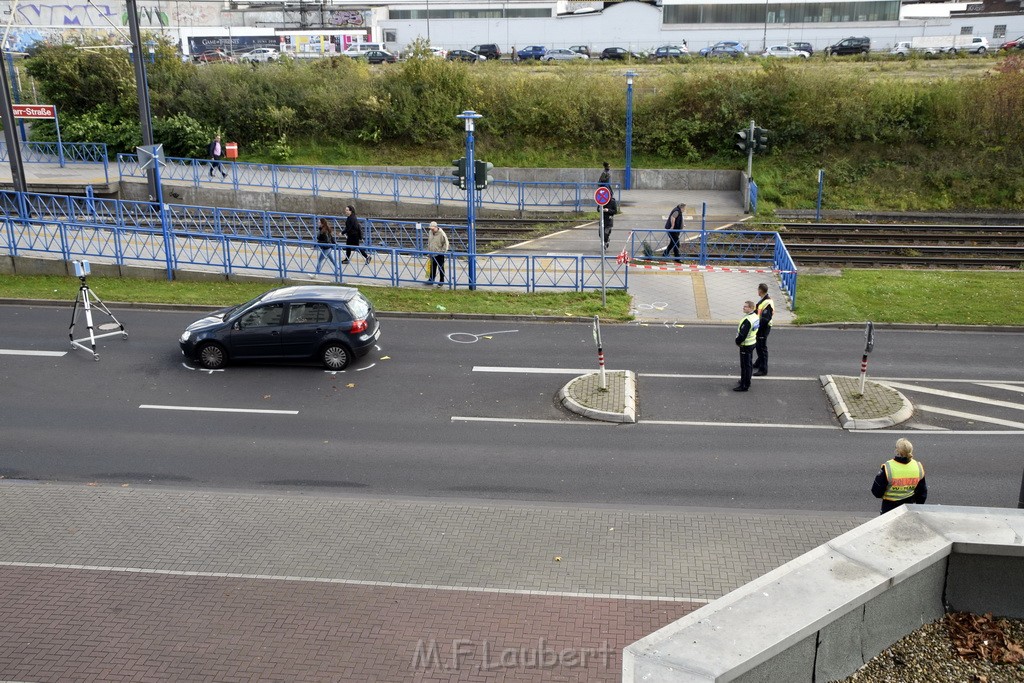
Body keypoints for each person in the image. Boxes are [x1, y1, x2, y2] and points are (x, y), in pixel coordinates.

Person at [872, 438, 927, 515]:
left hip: (889, 506)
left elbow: (876, 491)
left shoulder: (888, 467)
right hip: (908, 506)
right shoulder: (918, 466)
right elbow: (922, 493)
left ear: (897, 450)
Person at [734, 300, 759, 392]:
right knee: (748, 364)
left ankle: (745, 385)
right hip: (752, 343)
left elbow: (742, 335)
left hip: (746, 345)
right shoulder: (755, 317)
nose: (743, 307)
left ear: (751, 308)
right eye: (744, 306)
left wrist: (737, 341)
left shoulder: (748, 320)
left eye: (746, 306)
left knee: (745, 366)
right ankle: (745, 381)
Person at [753, 283, 774, 376]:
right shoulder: (764, 300)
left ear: (760, 291)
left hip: (763, 328)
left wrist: (757, 326)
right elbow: (758, 311)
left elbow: (765, 319)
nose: (757, 291)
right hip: (761, 327)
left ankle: (763, 369)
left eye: (758, 290)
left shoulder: (767, 302)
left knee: (761, 348)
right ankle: (758, 363)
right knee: (759, 346)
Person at [426, 221, 449, 287]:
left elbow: (446, 243)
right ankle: (431, 280)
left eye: (433, 229)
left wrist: (442, 251)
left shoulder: (442, 233)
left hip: (439, 253)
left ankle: (441, 281)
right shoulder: (430, 232)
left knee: (441, 268)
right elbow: (429, 242)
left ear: (436, 227)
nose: (432, 230)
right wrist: (429, 251)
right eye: (431, 229)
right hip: (432, 252)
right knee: (432, 267)